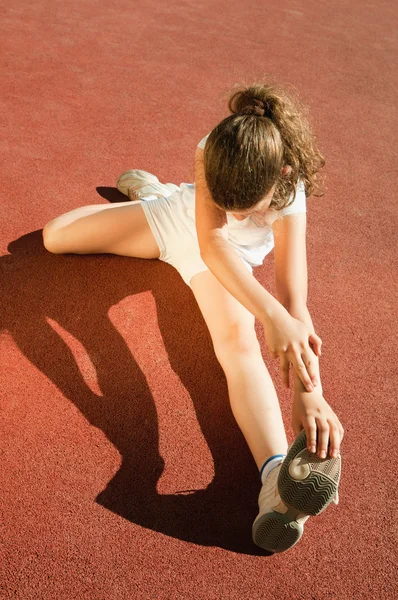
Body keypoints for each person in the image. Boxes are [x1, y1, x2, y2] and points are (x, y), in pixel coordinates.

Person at [42, 79, 344, 554]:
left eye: (245, 207)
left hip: (230, 261)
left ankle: (276, 480)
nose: (233, 213)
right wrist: (270, 315)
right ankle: (153, 192)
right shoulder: (215, 149)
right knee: (53, 237)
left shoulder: (292, 189)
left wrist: (311, 395)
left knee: (238, 345)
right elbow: (211, 241)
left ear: (282, 176)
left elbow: (293, 300)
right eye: (226, 204)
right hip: (182, 224)